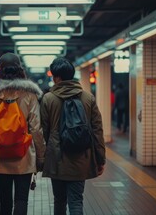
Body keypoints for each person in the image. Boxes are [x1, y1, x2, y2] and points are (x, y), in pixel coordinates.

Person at [0, 53, 46, 215]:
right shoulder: (30, 94)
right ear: (20, 70)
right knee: (21, 200)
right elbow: (36, 128)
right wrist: (41, 157)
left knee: (5, 203)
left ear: (0, 70)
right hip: (24, 156)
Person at [40, 57, 106, 215]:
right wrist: (100, 158)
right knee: (76, 201)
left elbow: (43, 131)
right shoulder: (87, 97)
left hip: (57, 159)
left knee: (59, 200)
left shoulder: (48, 99)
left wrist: (42, 159)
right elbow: (97, 130)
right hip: (81, 157)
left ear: (57, 77)